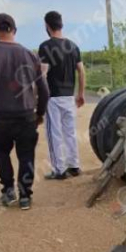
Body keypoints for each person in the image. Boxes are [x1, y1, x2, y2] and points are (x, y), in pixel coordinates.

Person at [0, 14, 49, 211]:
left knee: (1, 153)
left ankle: (8, 192)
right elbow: (44, 89)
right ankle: (25, 196)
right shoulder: (30, 55)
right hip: (26, 116)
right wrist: (40, 113)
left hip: (0, 117)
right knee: (26, 155)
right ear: (14, 30)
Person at [38, 11, 86, 181]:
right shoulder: (73, 46)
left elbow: (43, 74)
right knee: (70, 132)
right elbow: (81, 70)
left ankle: (59, 170)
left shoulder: (46, 46)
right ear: (61, 24)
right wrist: (80, 93)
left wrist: (40, 97)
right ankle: (74, 166)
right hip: (69, 97)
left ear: (47, 25)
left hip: (53, 97)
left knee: (55, 134)